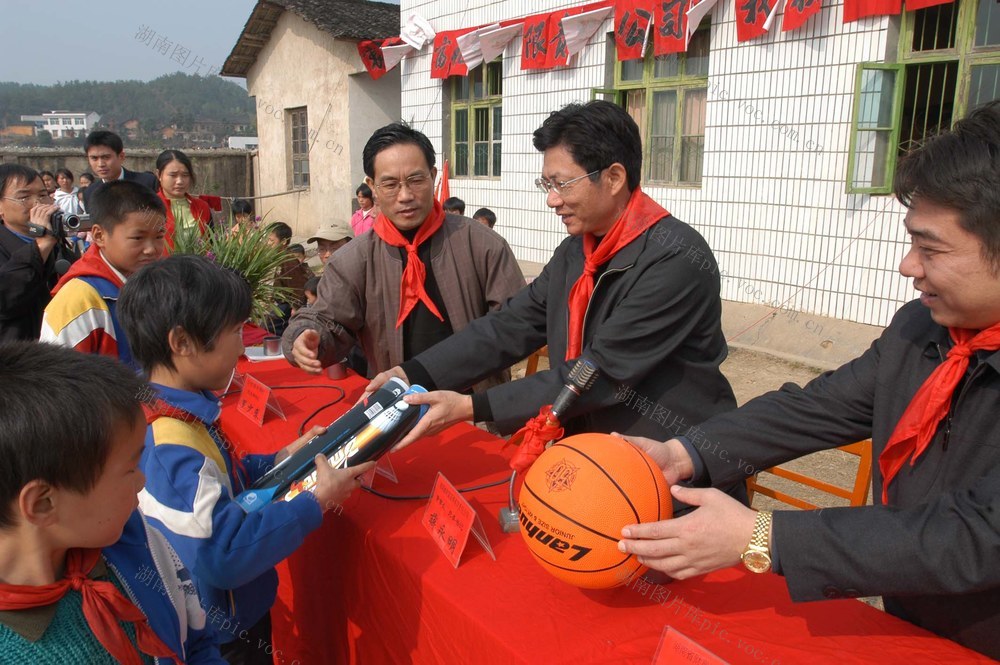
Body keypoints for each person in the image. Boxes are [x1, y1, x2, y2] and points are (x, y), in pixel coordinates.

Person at [615, 101, 1000, 660]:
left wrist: (762, 538)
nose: (907, 266)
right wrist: (683, 452)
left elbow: (979, 534)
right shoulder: (923, 329)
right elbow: (819, 407)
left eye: (931, 248)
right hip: (913, 628)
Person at [364, 102, 738, 493]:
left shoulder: (674, 259)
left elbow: (600, 373)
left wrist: (472, 407)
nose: (552, 200)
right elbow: (510, 324)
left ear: (613, 178)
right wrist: (413, 374)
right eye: (547, 184)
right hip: (591, 456)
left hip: (665, 466)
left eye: (562, 184)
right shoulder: (577, 251)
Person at [119, 255, 374, 664]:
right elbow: (223, 554)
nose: (243, 345)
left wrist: (283, 457)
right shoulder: (170, 448)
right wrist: (314, 502)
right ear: (181, 342)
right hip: (219, 634)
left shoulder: (176, 408)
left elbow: (222, 480)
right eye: (234, 332)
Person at [0, 341, 223, 663]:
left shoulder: (137, 541)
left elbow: (199, 643)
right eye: (130, 469)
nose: (142, 481)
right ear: (43, 504)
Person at [282, 123, 525, 392]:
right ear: (372, 186)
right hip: (394, 405)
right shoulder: (354, 259)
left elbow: (515, 323)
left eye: (416, 180)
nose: (405, 196)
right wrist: (303, 337)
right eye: (390, 184)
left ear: (433, 176)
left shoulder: (482, 245)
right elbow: (328, 321)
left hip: (471, 408)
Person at [40, 181, 166, 366]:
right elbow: (56, 382)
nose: (151, 249)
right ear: (99, 236)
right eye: (138, 238)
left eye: (159, 236)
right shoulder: (79, 301)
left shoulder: (156, 284)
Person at [0, 164, 78, 341]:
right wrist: (41, 244)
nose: (38, 203)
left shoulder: (55, 244)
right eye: (24, 197)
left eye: (43, 195)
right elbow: (6, 299)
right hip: (16, 356)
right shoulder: (45, 242)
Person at [82, 130, 158, 210]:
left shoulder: (147, 182)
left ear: (121, 156)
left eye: (106, 157)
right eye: (94, 158)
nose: (100, 164)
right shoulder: (90, 193)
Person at [155, 149, 211, 249]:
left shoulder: (202, 207)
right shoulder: (149, 206)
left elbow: (209, 243)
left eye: (185, 175)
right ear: (159, 175)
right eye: (173, 175)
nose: (180, 181)